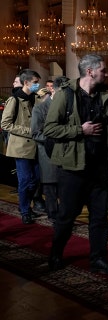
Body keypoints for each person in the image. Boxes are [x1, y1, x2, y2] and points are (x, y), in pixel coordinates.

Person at [43, 54, 108, 275]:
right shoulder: (65, 95)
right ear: (90, 71)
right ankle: (56, 254)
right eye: (103, 70)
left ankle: (98, 259)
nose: (106, 74)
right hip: (72, 168)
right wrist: (80, 130)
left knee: (100, 218)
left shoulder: (103, 97)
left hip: (98, 168)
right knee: (67, 215)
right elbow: (49, 129)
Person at [0, 69, 42, 224]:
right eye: (35, 83)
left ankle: (25, 206)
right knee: (25, 180)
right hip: (21, 147)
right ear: (26, 82)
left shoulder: (36, 98)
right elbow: (5, 124)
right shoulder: (14, 100)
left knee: (36, 179)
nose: (37, 85)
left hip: (36, 147)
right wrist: (29, 131)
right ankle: (25, 210)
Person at [31, 76, 69, 222]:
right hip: (47, 152)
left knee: (65, 186)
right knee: (50, 186)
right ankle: (53, 215)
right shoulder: (40, 108)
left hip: (65, 152)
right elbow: (35, 132)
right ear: (54, 90)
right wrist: (54, 138)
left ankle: (64, 215)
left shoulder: (67, 107)